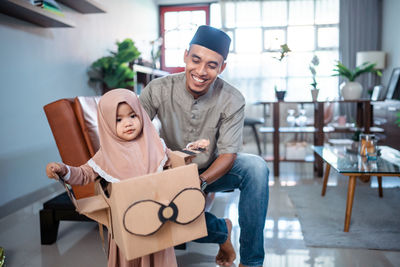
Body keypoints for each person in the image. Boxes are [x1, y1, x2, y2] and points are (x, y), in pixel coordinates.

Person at [139, 25, 270, 267]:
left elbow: (229, 154)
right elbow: (134, 131)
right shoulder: (157, 89)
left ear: (222, 67)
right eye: (196, 60)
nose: (201, 71)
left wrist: (200, 182)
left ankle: (251, 262)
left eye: (212, 65)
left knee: (257, 168)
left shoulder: (233, 98)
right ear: (185, 56)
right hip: (172, 171)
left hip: (212, 169)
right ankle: (222, 231)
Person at [45, 89, 178, 267]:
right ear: (107, 123)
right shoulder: (105, 155)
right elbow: (84, 174)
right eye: (118, 119)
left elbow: (174, 161)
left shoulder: (155, 144)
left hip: (157, 217)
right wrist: (63, 170)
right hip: (126, 222)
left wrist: (191, 150)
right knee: (129, 257)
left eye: (133, 115)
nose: (128, 123)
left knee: (158, 257)